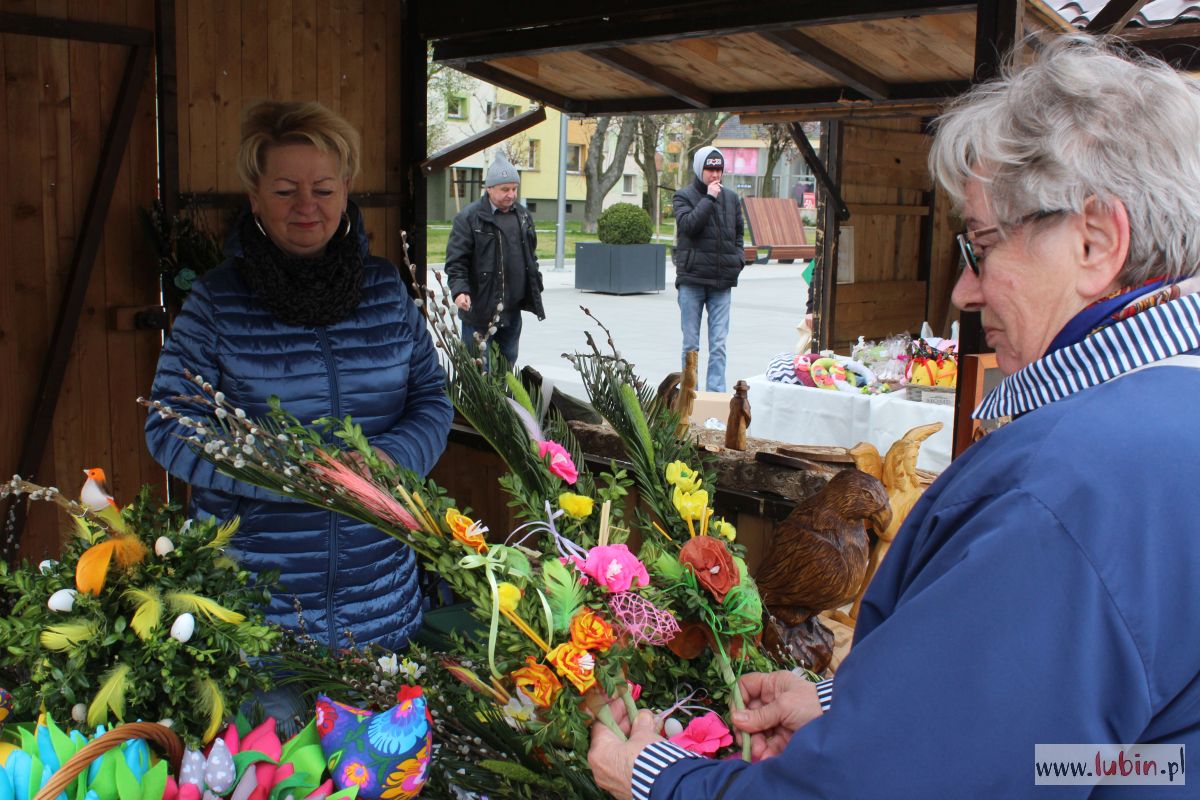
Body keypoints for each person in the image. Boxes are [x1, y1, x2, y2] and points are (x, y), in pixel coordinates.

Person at [590, 36, 1200, 799]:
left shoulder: (1070, 491)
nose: (963, 295)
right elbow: (1135, 753)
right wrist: (876, 712)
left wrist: (655, 778)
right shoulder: (1170, 420)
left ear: (1095, 239)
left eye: (980, 246)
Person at [145, 100, 454, 655]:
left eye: (324, 189)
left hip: (379, 596)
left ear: (347, 188)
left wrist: (389, 460)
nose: (306, 206)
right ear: (256, 197)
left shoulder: (385, 290)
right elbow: (169, 425)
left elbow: (431, 399)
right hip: (255, 604)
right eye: (286, 190)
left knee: (379, 740)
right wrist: (285, 471)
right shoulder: (218, 301)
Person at [445, 153, 545, 369]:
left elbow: (531, 255)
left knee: (507, 368)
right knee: (478, 371)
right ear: (489, 188)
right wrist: (459, 291)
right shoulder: (469, 218)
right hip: (479, 310)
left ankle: (504, 403)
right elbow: (456, 262)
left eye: (514, 189)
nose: (511, 195)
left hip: (512, 310)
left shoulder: (524, 216)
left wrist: (536, 280)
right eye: (505, 189)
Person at [672, 146, 745, 392]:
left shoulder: (733, 199)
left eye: (718, 169)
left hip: (721, 283)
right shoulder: (683, 196)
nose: (715, 174)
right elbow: (688, 226)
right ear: (699, 169)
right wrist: (709, 198)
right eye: (709, 169)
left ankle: (715, 396)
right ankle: (689, 396)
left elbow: (738, 236)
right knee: (690, 345)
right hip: (692, 280)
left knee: (719, 344)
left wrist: (738, 261)